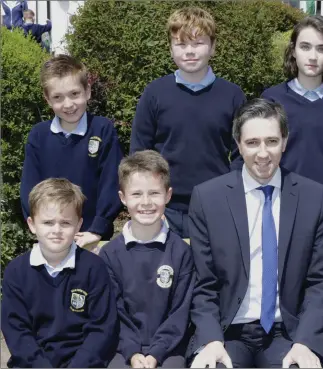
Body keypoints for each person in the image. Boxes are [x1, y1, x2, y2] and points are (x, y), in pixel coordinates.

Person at [187, 98, 323, 368]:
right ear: (238, 144)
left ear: (285, 141)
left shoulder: (314, 197)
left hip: (288, 333)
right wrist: (211, 340)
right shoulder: (208, 198)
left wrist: (305, 343)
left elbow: (322, 281)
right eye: (252, 142)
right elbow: (203, 283)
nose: (263, 153)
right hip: (227, 332)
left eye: (271, 141)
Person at [129, 7, 246, 239]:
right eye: (181, 44)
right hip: (164, 209)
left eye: (198, 43)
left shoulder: (232, 96)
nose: (189, 52)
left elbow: (243, 154)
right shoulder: (155, 93)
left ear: (212, 47)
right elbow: (139, 154)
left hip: (215, 207)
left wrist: (226, 195)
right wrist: (150, 201)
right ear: (171, 49)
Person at [1, 178, 119, 368]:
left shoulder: (94, 268)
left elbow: (102, 329)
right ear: (31, 224)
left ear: (79, 225)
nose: (56, 230)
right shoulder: (16, 272)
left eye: (65, 223)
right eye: (48, 222)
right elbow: (17, 332)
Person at [261, 15, 323, 239]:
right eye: (305, 47)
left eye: (322, 49)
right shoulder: (272, 99)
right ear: (293, 51)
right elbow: (261, 157)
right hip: (278, 211)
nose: (313, 57)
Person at [99, 150, 195, 368]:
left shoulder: (181, 252)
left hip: (170, 348)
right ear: (123, 198)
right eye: (136, 194)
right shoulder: (109, 255)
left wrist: (156, 353)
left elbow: (180, 313)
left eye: (154, 193)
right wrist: (132, 352)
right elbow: (114, 312)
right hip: (122, 348)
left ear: (168, 195)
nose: (146, 202)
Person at [20, 55, 123, 248]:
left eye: (74, 94)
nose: (68, 104)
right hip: (52, 238)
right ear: (47, 99)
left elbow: (112, 181)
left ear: (88, 91)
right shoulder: (39, 136)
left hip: (92, 237)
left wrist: (98, 228)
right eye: (58, 97)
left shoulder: (102, 129)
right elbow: (29, 188)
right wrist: (43, 227)